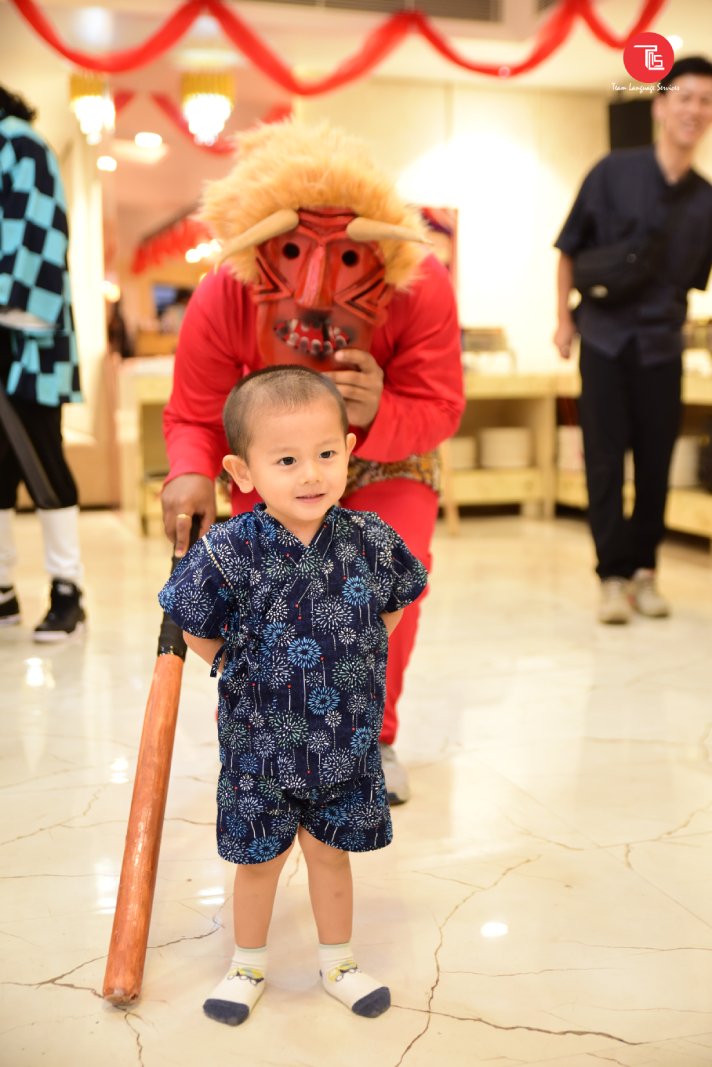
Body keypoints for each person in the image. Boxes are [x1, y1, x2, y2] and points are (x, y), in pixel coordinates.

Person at [161, 120, 464, 802]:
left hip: (387, 455)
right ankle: (271, 733)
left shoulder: (422, 284)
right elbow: (196, 409)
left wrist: (379, 411)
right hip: (274, 454)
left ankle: (371, 737)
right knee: (265, 591)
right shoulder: (226, 289)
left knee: (386, 584)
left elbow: (440, 406)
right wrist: (188, 469)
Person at [158, 365, 428, 1026]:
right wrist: (232, 661)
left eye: (326, 454)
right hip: (260, 745)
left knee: (331, 855)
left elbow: (397, 600)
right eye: (287, 459)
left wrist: (362, 647)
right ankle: (247, 963)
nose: (311, 473)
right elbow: (192, 619)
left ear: (349, 450)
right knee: (259, 860)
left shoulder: (367, 541)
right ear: (242, 471)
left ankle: (338, 960)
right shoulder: (230, 549)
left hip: (343, 740)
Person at [553, 56, 712, 624]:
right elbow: (569, 247)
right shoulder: (612, 172)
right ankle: (611, 577)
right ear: (662, 106)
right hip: (603, 339)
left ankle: (645, 572)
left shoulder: (705, 199)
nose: (695, 109)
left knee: (655, 461)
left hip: (663, 347)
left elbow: (694, 284)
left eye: (706, 101)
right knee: (602, 460)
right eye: (686, 97)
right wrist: (563, 320)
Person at [0, 86, 86, 641]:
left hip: (25, 332)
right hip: (17, 325)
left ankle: (67, 590)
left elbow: (37, 238)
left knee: (41, 456)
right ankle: (3, 591)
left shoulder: (21, 143)